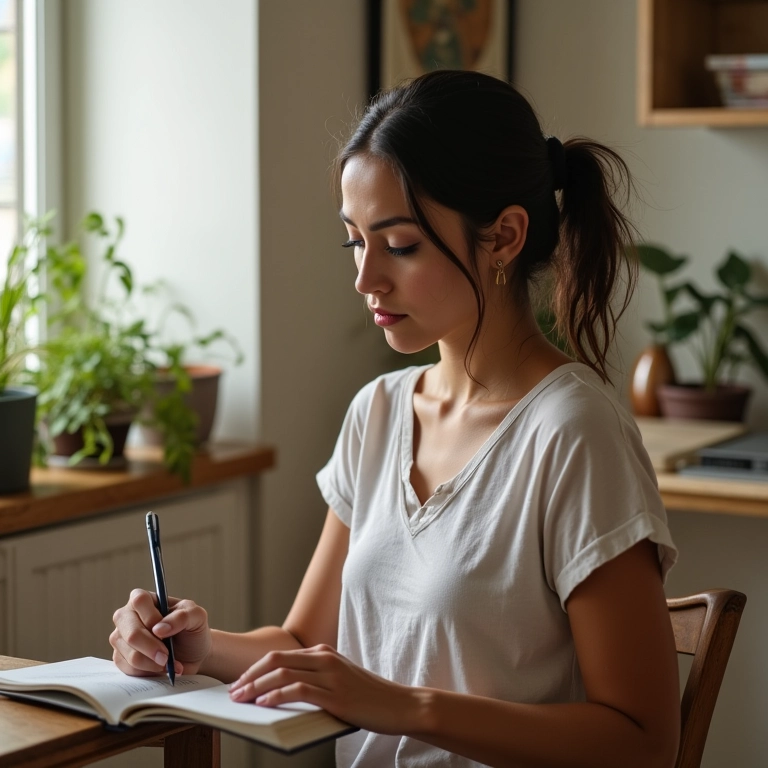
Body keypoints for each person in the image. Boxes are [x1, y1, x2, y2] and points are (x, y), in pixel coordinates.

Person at [111, 70, 680, 767]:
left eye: (400, 245)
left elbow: (644, 741)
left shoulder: (572, 434)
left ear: (503, 237)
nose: (365, 278)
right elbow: (302, 646)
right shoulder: (377, 414)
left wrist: (403, 705)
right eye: (355, 241)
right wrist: (195, 647)